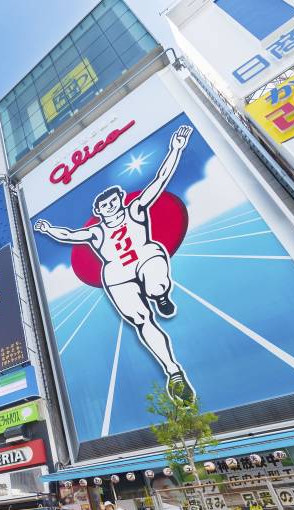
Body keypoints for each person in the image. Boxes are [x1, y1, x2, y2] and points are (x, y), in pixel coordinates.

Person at [34, 125, 196, 402]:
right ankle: (173, 372)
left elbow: (160, 180)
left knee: (155, 279)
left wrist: (175, 149)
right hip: (117, 273)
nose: (110, 206)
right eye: (104, 205)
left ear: (120, 199)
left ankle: (161, 295)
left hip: (145, 255)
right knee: (141, 320)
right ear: (98, 211)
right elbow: (70, 235)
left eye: (113, 200)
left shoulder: (135, 209)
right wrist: (49, 230)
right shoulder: (96, 231)